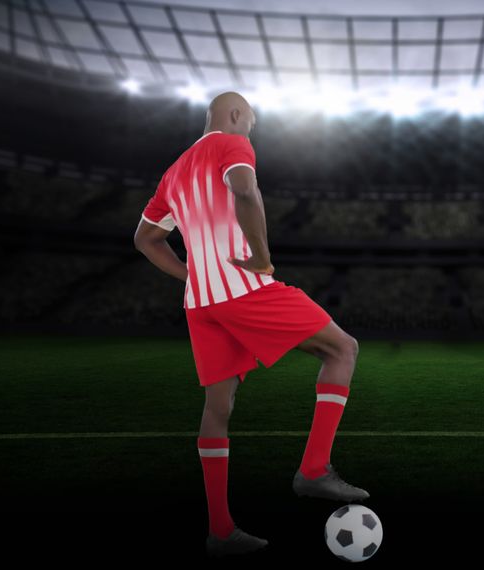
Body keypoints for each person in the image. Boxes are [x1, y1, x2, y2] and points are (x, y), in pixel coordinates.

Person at [133, 91, 368, 557]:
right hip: (243, 289)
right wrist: (261, 257)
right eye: (250, 123)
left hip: (200, 303)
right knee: (342, 349)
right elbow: (244, 190)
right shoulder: (232, 144)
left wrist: (190, 273)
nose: (250, 131)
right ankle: (314, 471)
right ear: (236, 114)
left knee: (217, 410)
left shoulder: (173, 173)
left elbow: (144, 239)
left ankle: (219, 530)